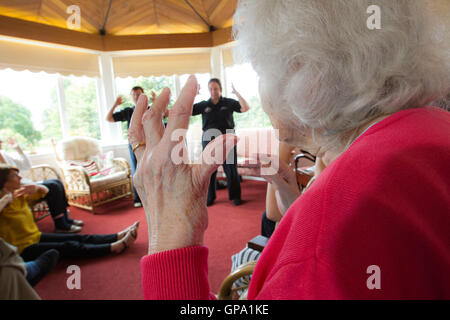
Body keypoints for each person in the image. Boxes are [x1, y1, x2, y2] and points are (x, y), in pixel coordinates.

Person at [132, 0, 450, 299]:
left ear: (305, 71)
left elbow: (325, 252)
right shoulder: (434, 128)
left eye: (261, 70)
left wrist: (169, 239)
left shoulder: (325, 243)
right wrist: (294, 198)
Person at [0, 165, 139, 263]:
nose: (20, 177)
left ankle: (116, 236)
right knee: (69, 246)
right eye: (14, 175)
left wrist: (37, 187)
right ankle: (114, 247)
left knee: (78, 237)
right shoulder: (4, 204)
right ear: (4, 182)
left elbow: (47, 192)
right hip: (22, 249)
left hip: (35, 237)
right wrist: (6, 199)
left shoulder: (19, 196)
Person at [0, 137, 83, 233]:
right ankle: (60, 224)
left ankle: (65, 218)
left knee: (57, 182)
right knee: (53, 186)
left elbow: (26, 166)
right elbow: (6, 180)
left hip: (25, 183)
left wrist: (17, 149)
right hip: (18, 188)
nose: (1, 142)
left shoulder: (4, 154)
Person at [191, 79, 250, 206]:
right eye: (211, 89)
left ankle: (235, 196)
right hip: (209, 140)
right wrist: (194, 95)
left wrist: (237, 93)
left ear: (220, 89)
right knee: (209, 170)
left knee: (231, 169)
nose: (213, 91)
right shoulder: (204, 105)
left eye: (216, 88)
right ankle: (210, 197)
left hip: (227, 139)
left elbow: (245, 108)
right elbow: (188, 111)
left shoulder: (228, 102)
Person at [106, 87, 167, 207]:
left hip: (151, 144)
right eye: (133, 95)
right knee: (137, 170)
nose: (136, 97)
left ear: (143, 95)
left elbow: (164, 115)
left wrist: (155, 101)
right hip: (135, 146)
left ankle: (156, 195)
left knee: (154, 169)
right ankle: (138, 198)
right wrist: (115, 104)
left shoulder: (150, 110)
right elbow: (109, 118)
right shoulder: (129, 111)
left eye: (138, 94)